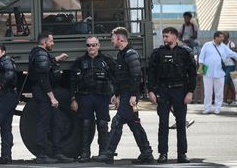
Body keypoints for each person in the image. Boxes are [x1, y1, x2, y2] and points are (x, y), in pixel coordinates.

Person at [94, 27, 154, 164]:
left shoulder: (130, 54)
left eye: (113, 38)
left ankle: (108, 154)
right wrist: (116, 94)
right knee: (135, 124)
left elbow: (136, 76)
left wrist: (133, 95)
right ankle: (147, 153)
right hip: (125, 93)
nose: (111, 40)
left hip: (130, 94)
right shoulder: (121, 54)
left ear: (120, 39)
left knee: (117, 121)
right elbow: (121, 78)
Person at [147, 27, 196, 163]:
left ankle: (182, 154)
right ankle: (163, 154)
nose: (164, 39)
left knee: (181, 124)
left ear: (175, 36)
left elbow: (192, 74)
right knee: (163, 124)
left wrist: (190, 92)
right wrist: (150, 91)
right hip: (163, 91)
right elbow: (151, 73)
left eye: (167, 36)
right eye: (163, 36)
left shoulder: (185, 52)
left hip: (180, 91)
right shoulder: (158, 53)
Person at [28, 31, 73, 164]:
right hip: (43, 91)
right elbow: (43, 78)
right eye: (51, 41)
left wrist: (57, 58)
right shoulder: (40, 54)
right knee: (45, 122)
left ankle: (57, 152)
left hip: (44, 91)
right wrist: (52, 97)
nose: (53, 43)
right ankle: (41, 155)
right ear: (44, 42)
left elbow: (46, 64)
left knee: (57, 121)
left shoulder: (41, 54)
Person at [70, 36, 115, 162]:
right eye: (89, 45)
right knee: (85, 125)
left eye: (94, 45)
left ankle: (103, 152)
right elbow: (73, 82)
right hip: (85, 96)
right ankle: (85, 153)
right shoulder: (79, 61)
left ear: (98, 46)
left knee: (102, 124)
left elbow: (115, 78)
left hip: (102, 96)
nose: (91, 48)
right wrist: (73, 99)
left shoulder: (107, 60)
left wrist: (116, 95)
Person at [198, 31, 237, 114]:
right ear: (215, 37)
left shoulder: (223, 47)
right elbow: (201, 57)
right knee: (208, 92)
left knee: (219, 92)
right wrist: (200, 69)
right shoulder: (207, 45)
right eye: (221, 37)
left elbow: (232, 54)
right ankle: (207, 108)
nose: (222, 39)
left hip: (220, 72)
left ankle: (217, 108)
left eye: (223, 37)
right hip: (207, 71)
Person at [222, 31, 237, 104]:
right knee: (229, 83)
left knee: (227, 82)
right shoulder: (221, 45)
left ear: (227, 37)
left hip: (231, 65)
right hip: (224, 66)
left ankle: (224, 100)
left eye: (224, 36)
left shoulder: (231, 44)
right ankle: (235, 99)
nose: (222, 38)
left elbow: (234, 54)